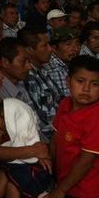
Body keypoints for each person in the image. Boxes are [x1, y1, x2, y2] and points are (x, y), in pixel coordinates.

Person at [49, 55, 99, 198]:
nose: (86, 89)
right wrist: (52, 172)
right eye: (80, 81)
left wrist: (61, 190)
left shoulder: (96, 116)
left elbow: (86, 161)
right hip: (62, 181)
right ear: (68, 82)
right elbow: (55, 140)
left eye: (95, 84)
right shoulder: (65, 103)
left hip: (86, 190)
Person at [0, 99, 53, 197]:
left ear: (18, 120)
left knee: (9, 181)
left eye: (5, 118)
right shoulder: (3, 136)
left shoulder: (36, 146)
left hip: (34, 184)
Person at [19, 27, 62, 141]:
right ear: (30, 50)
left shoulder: (42, 70)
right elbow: (42, 125)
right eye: (44, 45)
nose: (50, 49)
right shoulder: (28, 78)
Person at [0, 37, 34, 106]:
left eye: (29, 61)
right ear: (5, 62)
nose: (29, 67)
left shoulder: (21, 85)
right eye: (23, 61)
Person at [44, 27, 80, 98]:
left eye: (77, 43)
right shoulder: (52, 68)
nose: (75, 49)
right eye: (68, 44)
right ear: (54, 48)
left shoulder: (73, 63)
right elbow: (67, 97)